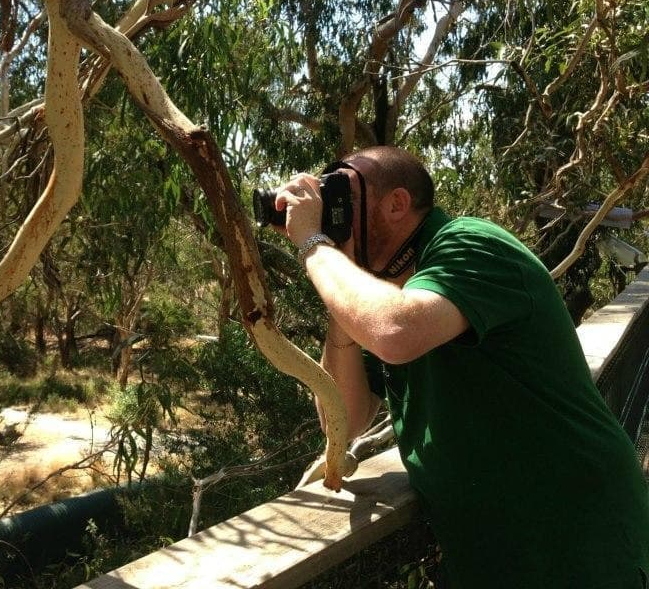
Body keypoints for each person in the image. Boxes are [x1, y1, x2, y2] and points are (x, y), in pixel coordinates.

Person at [273, 145, 649, 589]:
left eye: (342, 194)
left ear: (397, 203)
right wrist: (342, 287)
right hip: (494, 555)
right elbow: (347, 418)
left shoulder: (469, 243)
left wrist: (313, 246)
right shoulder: (380, 293)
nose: (332, 212)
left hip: (574, 541)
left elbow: (396, 333)